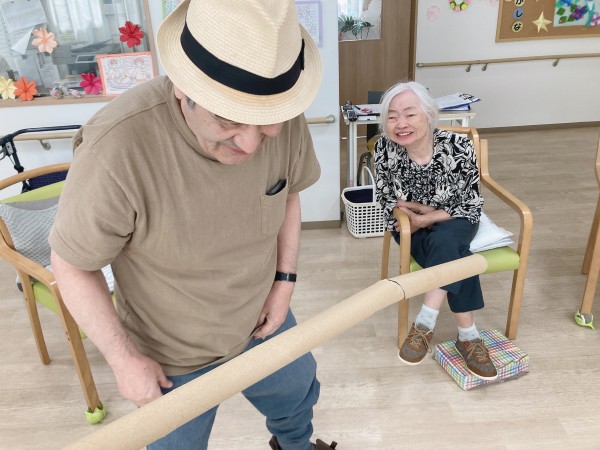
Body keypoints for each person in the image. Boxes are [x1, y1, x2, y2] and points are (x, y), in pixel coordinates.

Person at [48, 1, 338, 449]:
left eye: (266, 126)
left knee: (299, 398)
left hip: (262, 318)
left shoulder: (280, 108)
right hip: (171, 354)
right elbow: (71, 265)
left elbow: (288, 194)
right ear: (184, 88)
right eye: (228, 120)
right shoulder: (116, 149)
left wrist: (284, 284)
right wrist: (124, 361)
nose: (250, 144)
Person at [373, 81, 498, 381]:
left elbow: (470, 202)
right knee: (455, 251)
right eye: (392, 116)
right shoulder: (384, 149)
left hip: (456, 220)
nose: (400, 123)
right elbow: (386, 199)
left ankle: (424, 324)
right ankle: (468, 335)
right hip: (409, 226)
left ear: (428, 115)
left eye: (409, 114)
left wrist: (427, 215)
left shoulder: (458, 145)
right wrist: (426, 215)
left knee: (446, 238)